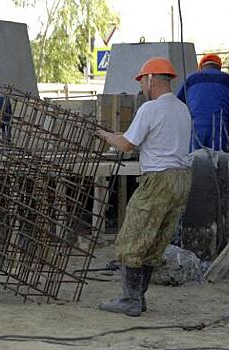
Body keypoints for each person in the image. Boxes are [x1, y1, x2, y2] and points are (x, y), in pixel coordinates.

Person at [96, 57, 193, 317]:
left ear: (150, 80)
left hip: (158, 180)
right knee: (155, 241)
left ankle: (130, 300)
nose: (142, 89)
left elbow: (127, 144)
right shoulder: (182, 108)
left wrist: (105, 135)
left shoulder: (150, 109)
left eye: (142, 83)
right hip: (182, 179)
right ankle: (139, 298)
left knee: (132, 238)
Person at [177, 53, 229, 151]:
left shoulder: (190, 79)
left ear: (201, 67)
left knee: (195, 160)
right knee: (217, 160)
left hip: (196, 130)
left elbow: (176, 106)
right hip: (219, 131)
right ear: (219, 67)